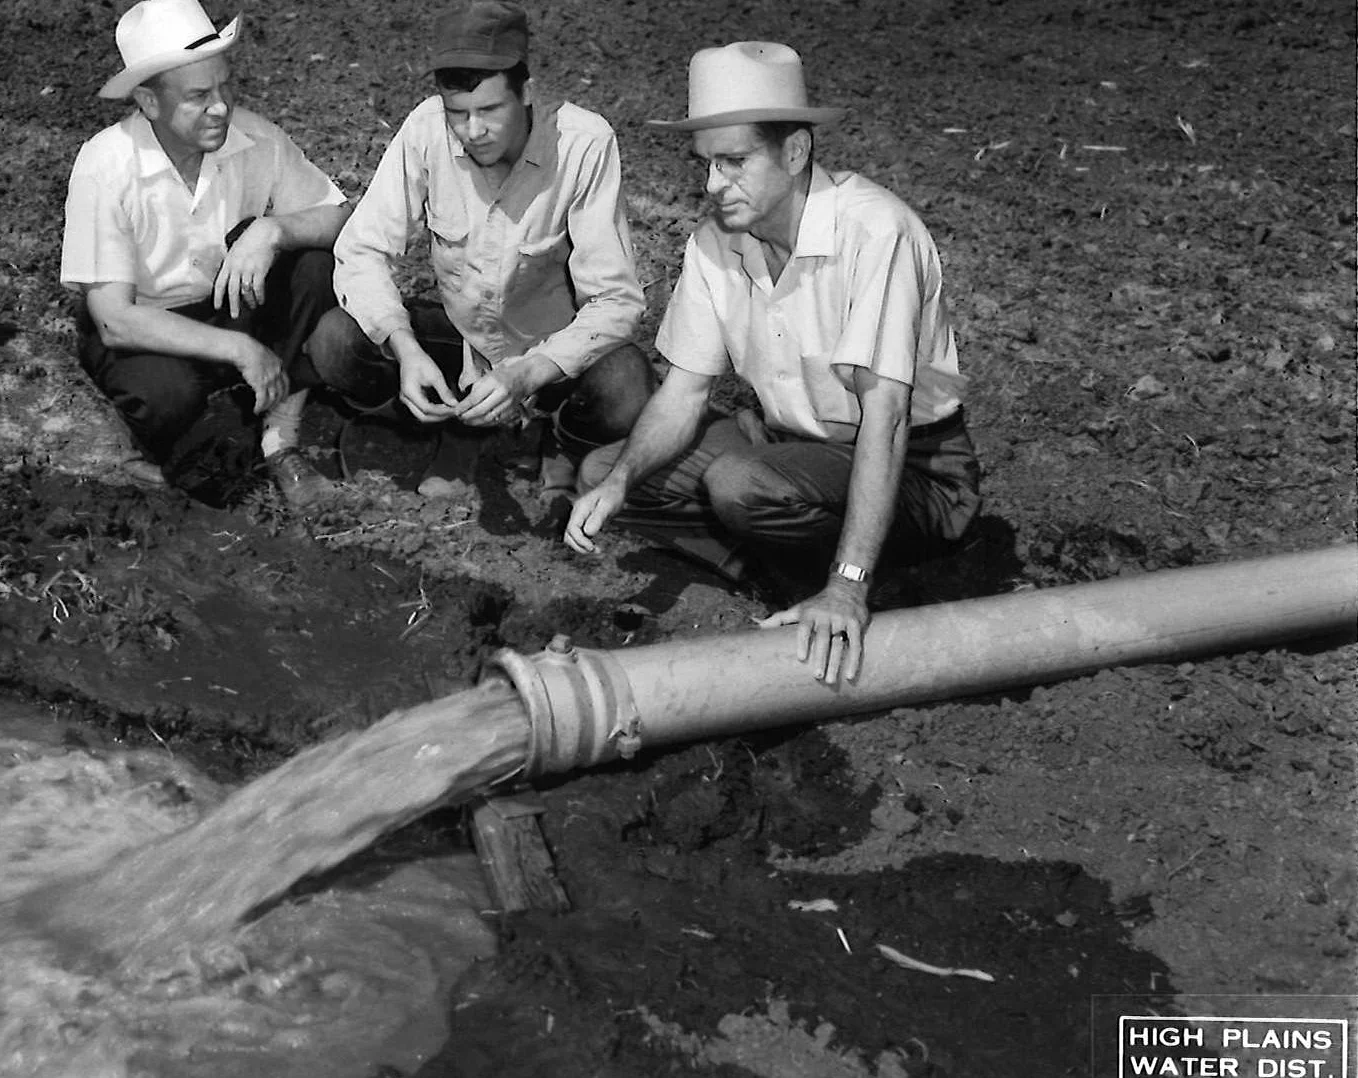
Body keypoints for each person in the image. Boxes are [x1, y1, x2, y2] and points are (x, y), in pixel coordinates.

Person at [565, 42, 982, 685]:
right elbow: (682, 395)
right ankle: (771, 565)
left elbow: (890, 418)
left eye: (733, 162)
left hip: (920, 473)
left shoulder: (876, 233)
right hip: (799, 454)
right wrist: (619, 485)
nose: (712, 185)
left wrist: (848, 585)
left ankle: (850, 581)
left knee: (740, 485)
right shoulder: (714, 243)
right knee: (606, 471)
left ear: (794, 152)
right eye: (706, 164)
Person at [307, 0, 654, 500]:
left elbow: (617, 302)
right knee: (336, 341)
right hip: (465, 339)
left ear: (527, 93)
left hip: (550, 350)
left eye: (490, 111)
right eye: (458, 114)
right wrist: (405, 348)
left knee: (626, 387)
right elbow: (361, 251)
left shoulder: (584, 144)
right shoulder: (425, 129)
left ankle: (556, 435)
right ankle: (449, 418)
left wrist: (529, 372)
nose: (473, 131)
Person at [60, 0, 351, 506]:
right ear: (150, 102)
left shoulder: (257, 137)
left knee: (316, 269)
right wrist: (242, 349)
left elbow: (339, 218)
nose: (221, 106)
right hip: (145, 329)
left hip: (228, 302)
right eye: (199, 96)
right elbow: (113, 320)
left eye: (225, 86)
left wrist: (273, 229)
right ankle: (206, 424)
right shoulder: (105, 165)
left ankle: (277, 434)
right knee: (168, 397)